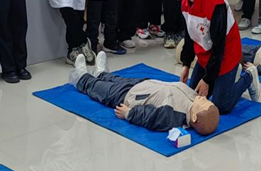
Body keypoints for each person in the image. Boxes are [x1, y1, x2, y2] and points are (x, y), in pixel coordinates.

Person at [173, 0, 261, 114]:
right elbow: (189, 37)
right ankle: (220, 81)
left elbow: (219, 47)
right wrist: (186, 65)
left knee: (221, 105)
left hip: (226, 53)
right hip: (205, 54)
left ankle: (248, 77)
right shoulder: (185, 4)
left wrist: (207, 79)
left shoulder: (215, 4)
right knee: (193, 97)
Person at [69, 52, 220, 135]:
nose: (204, 98)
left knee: (100, 89)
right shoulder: (194, 99)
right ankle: (102, 73)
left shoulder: (174, 116)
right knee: (115, 79)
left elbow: (150, 117)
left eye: (204, 103)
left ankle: (81, 77)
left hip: (129, 98)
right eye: (208, 101)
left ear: (194, 117)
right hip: (142, 85)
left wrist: (129, 113)